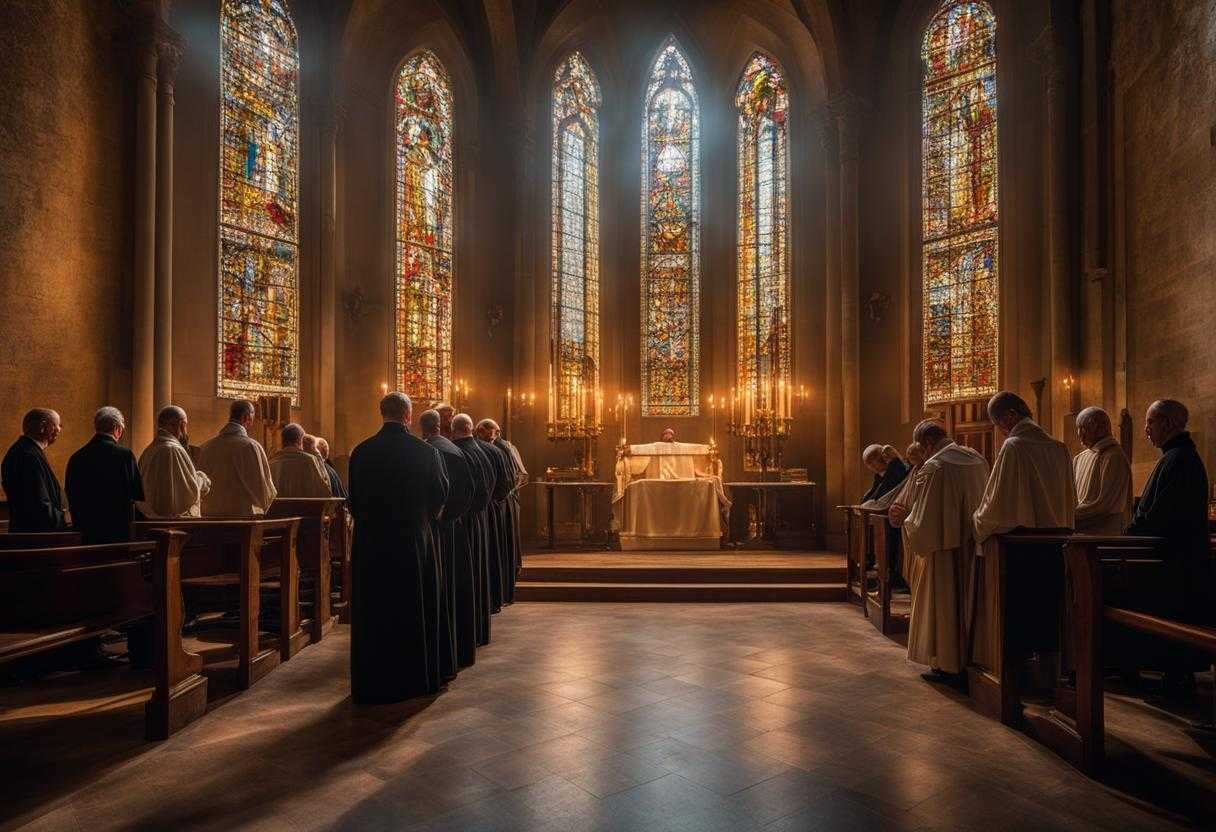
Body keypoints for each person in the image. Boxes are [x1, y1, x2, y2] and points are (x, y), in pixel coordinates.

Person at [348, 392, 448, 703]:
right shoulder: (425, 452)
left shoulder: (361, 452)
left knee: (375, 610)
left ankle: (374, 680)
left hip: (372, 545)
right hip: (411, 543)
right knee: (412, 605)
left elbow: (354, 502)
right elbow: (439, 496)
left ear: (382, 414)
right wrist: (421, 518)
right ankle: (414, 679)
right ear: (408, 415)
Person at [972, 391, 1076, 672]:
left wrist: (977, 521)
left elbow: (998, 505)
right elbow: (1071, 501)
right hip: (1058, 542)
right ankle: (1050, 672)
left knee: (1021, 613)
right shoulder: (1059, 447)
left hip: (1022, 547)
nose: (1002, 431)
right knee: (1050, 611)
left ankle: (1018, 678)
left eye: (1000, 424)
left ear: (1011, 416)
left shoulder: (1014, 447)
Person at [901, 420, 989, 681]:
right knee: (969, 604)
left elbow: (922, 520)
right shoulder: (975, 458)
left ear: (927, 444)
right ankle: (971, 661)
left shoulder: (935, 466)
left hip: (942, 550)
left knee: (945, 607)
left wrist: (905, 521)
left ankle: (947, 664)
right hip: (974, 545)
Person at [1126, 399, 1211, 623]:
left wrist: (1131, 533)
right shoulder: (1177, 456)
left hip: (1174, 567)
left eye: (1150, 422)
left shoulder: (1179, 459)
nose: (1146, 429)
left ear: (1167, 424)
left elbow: (1161, 517)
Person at [420, 408, 477, 675]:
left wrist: (433, 520)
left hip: (426, 533)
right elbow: (466, 492)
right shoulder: (454, 451)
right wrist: (447, 518)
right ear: (441, 426)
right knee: (451, 593)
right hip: (450, 531)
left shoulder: (424, 451)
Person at [64, 407, 144, 544]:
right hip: (117, 532)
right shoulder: (125, 455)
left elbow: (70, 492)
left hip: (86, 531)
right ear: (116, 428)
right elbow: (137, 494)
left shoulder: (77, 457)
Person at [452, 413, 494, 646]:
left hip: (464, 523)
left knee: (467, 577)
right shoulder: (484, 451)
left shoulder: (459, 453)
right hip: (479, 519)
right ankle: (479, 628)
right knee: (478, 573)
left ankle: (468, 632)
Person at [198, 400, 277, 516]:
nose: (252, 423)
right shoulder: (251, 446)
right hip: (241, 518)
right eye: (252, 418)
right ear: (246, 417)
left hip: (209, 517)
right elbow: (262, 491)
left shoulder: (206, 447)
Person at [138, 405, 212, 518]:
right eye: (185, 425)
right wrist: (202, 479)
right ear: (179, 424)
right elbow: (186, 494)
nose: (186, 431)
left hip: (149, 520)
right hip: (172, 524)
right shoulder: (172, 450)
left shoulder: (150, 450)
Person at [2, 408, 67, 532]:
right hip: (36, 536)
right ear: (42, 426)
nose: (59, 429)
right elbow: (39, 505)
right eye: (57, 425)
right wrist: (64, 520)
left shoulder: (22, 450)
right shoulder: (28, 456)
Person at [1072, 406, 1132, 534]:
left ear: (1101, 428)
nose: (1080, 435)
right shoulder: (1079, 458)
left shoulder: (1114, 457)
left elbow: (1105, 505)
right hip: (1080, 531)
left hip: (1104, 533)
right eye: (1079, 429)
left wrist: (1069, 515)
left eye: (1085, 429)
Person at [476, 419, 513, 611]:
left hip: (477, 510)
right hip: (490, 509)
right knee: (492, 553)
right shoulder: (495, 451)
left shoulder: (474, 450)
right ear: (481, 431)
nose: (496, 436)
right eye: (494, 432)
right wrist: (495, 500)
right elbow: (507, 482)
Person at [493, 424, 528, 588]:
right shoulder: (507, 447)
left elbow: (519, 476)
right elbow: (521, 475)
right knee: (509, 538)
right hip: (510, 498)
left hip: (506, 499)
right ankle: (513, 568)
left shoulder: (502, 448)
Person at [268, 423, 331, 498]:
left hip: (279, 509)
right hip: (306, 509)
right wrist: (318, 457)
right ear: (300, 440)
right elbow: (325, 492)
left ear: (282, 441)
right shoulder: (310, 461)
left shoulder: (271, 463)